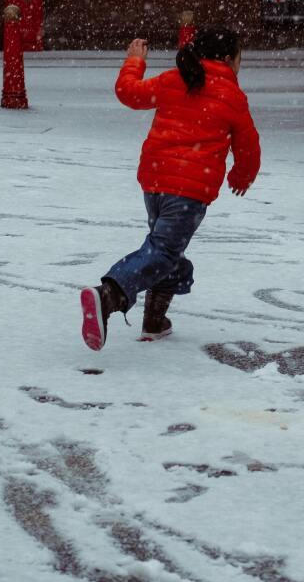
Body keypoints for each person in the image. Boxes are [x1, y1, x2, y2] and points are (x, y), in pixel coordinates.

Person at [80, 28, 260, 350]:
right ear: (231, 60)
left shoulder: (174, 79)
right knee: (163, 252)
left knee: (166, 254)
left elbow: (129, 93)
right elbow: (248, 147)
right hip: (190, 189)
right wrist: (241, 177)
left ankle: (154, 321)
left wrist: (135, 62)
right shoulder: (232, 96)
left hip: (155, 181)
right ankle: (110, 293)